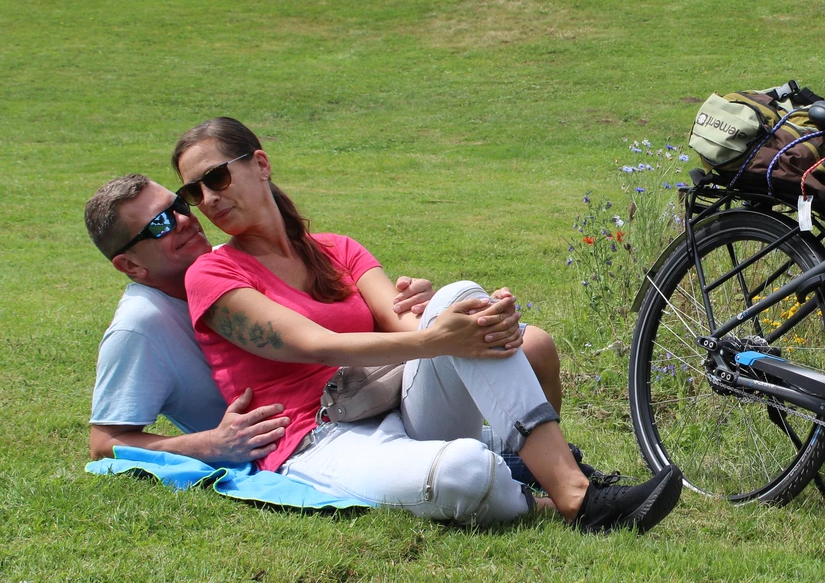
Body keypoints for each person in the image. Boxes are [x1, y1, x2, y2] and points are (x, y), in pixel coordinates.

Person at [170, 116, 680, 532]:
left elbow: (403, 321)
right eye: (194, 192)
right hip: (317, 438)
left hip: (394, 403)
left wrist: (475, 317)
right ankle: (533, 483)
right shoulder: (212, 273)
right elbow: (314, 344)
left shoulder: (337, 249)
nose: (209, 199)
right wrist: (436, 337)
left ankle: (577, 496)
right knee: (466, 471)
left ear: (260, 165)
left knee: (460, 296)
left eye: (216, 177)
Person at [83, 174, 564, 469]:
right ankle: (548, 482)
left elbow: (329, 327)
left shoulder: (237, 270)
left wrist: (414, 308)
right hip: (310, 431)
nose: (186, 221)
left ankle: (551, 466)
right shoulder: (141, 325)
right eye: (160, 225)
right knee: (463, 469)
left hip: (360, 396)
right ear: (130, 265)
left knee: (533, 343)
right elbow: (105, 443)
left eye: (178, 206)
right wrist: (209, 444)